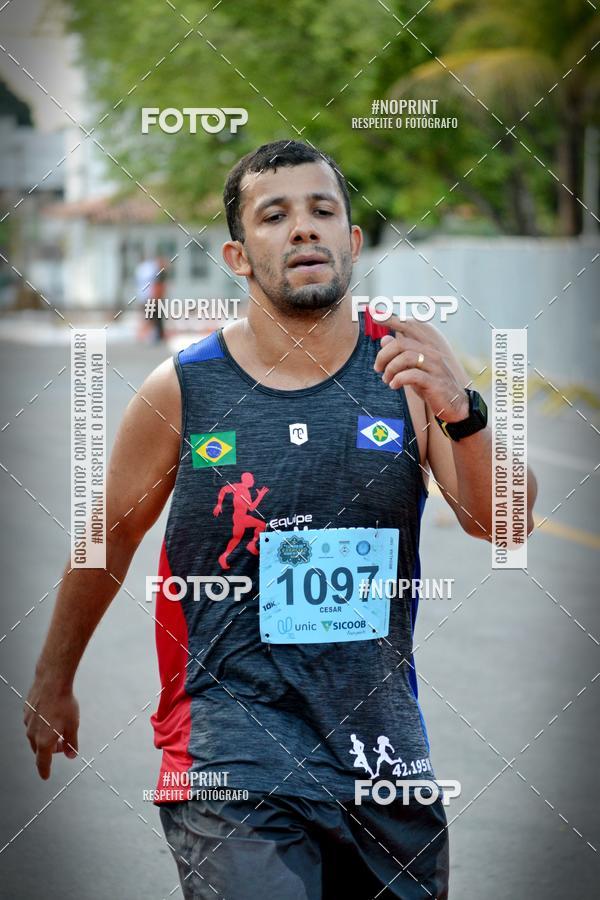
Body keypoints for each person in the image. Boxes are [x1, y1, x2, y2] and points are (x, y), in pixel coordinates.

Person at [24, 140, 538, 899]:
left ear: (351, 241)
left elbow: (506, 525)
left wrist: (465, 414)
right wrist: (53, 678)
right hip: (230, 754)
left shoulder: (408, 376)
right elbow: (111, 535)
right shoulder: (184, 389)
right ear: (237, 256)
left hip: (382, 759)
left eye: (321, 210)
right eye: (274, 216)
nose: (303, 228)